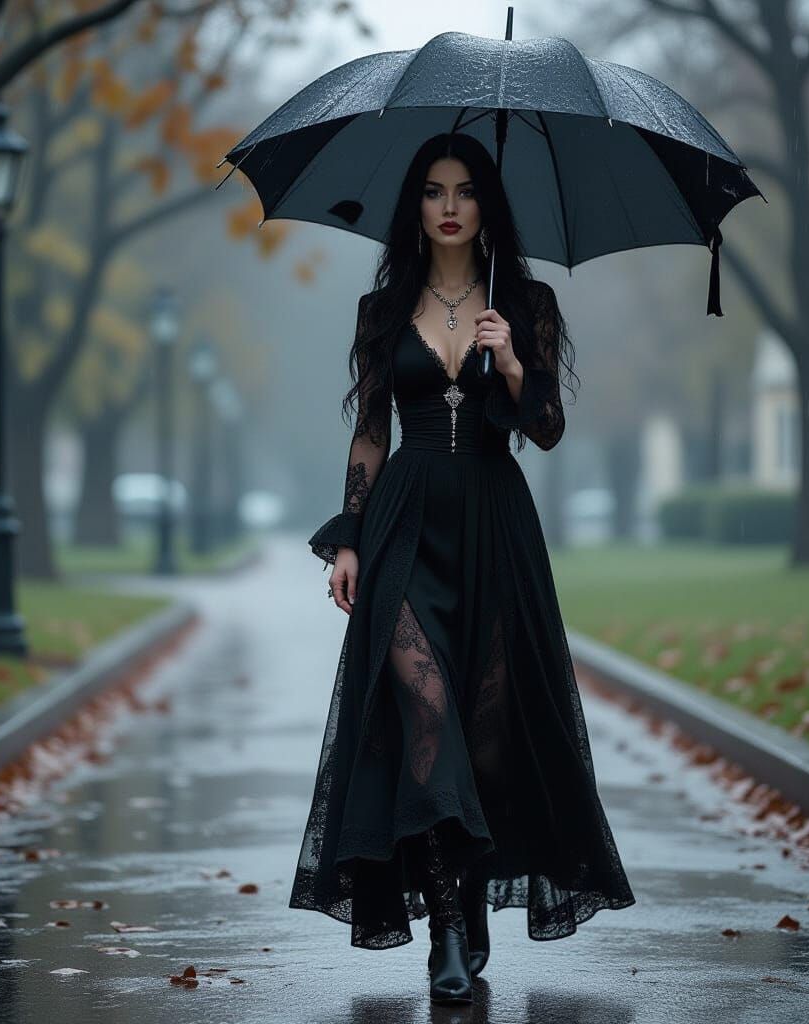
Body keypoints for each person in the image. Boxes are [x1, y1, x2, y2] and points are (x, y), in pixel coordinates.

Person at [289, 131, 635, 1004]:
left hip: (494, 524)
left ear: (487, 206)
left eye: (465, 190)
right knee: (426, 711)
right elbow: (371, 431)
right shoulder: (383, 309)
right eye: (434, 191)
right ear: (416, 206)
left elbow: (546, 429)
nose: (449, 205)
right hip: (407, 524)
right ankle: (446, 928)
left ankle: (469, 896)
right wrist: (351, 540)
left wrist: (514, 360)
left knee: (485, 736)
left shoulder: (526, 301)